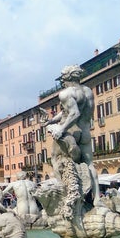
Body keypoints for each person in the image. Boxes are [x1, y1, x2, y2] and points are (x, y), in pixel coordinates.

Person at [43, 65, 100, 204]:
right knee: (89, 164)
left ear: (66, 78)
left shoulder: (65, 93)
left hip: (71, 131)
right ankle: (97, 198)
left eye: (62, 78)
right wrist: (51, 120)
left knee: (56, 160)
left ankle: (65, 197)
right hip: (85, 132)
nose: (62, 81)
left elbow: (74, 113)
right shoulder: (87, 92)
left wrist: (60, 129)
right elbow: (68, 112)